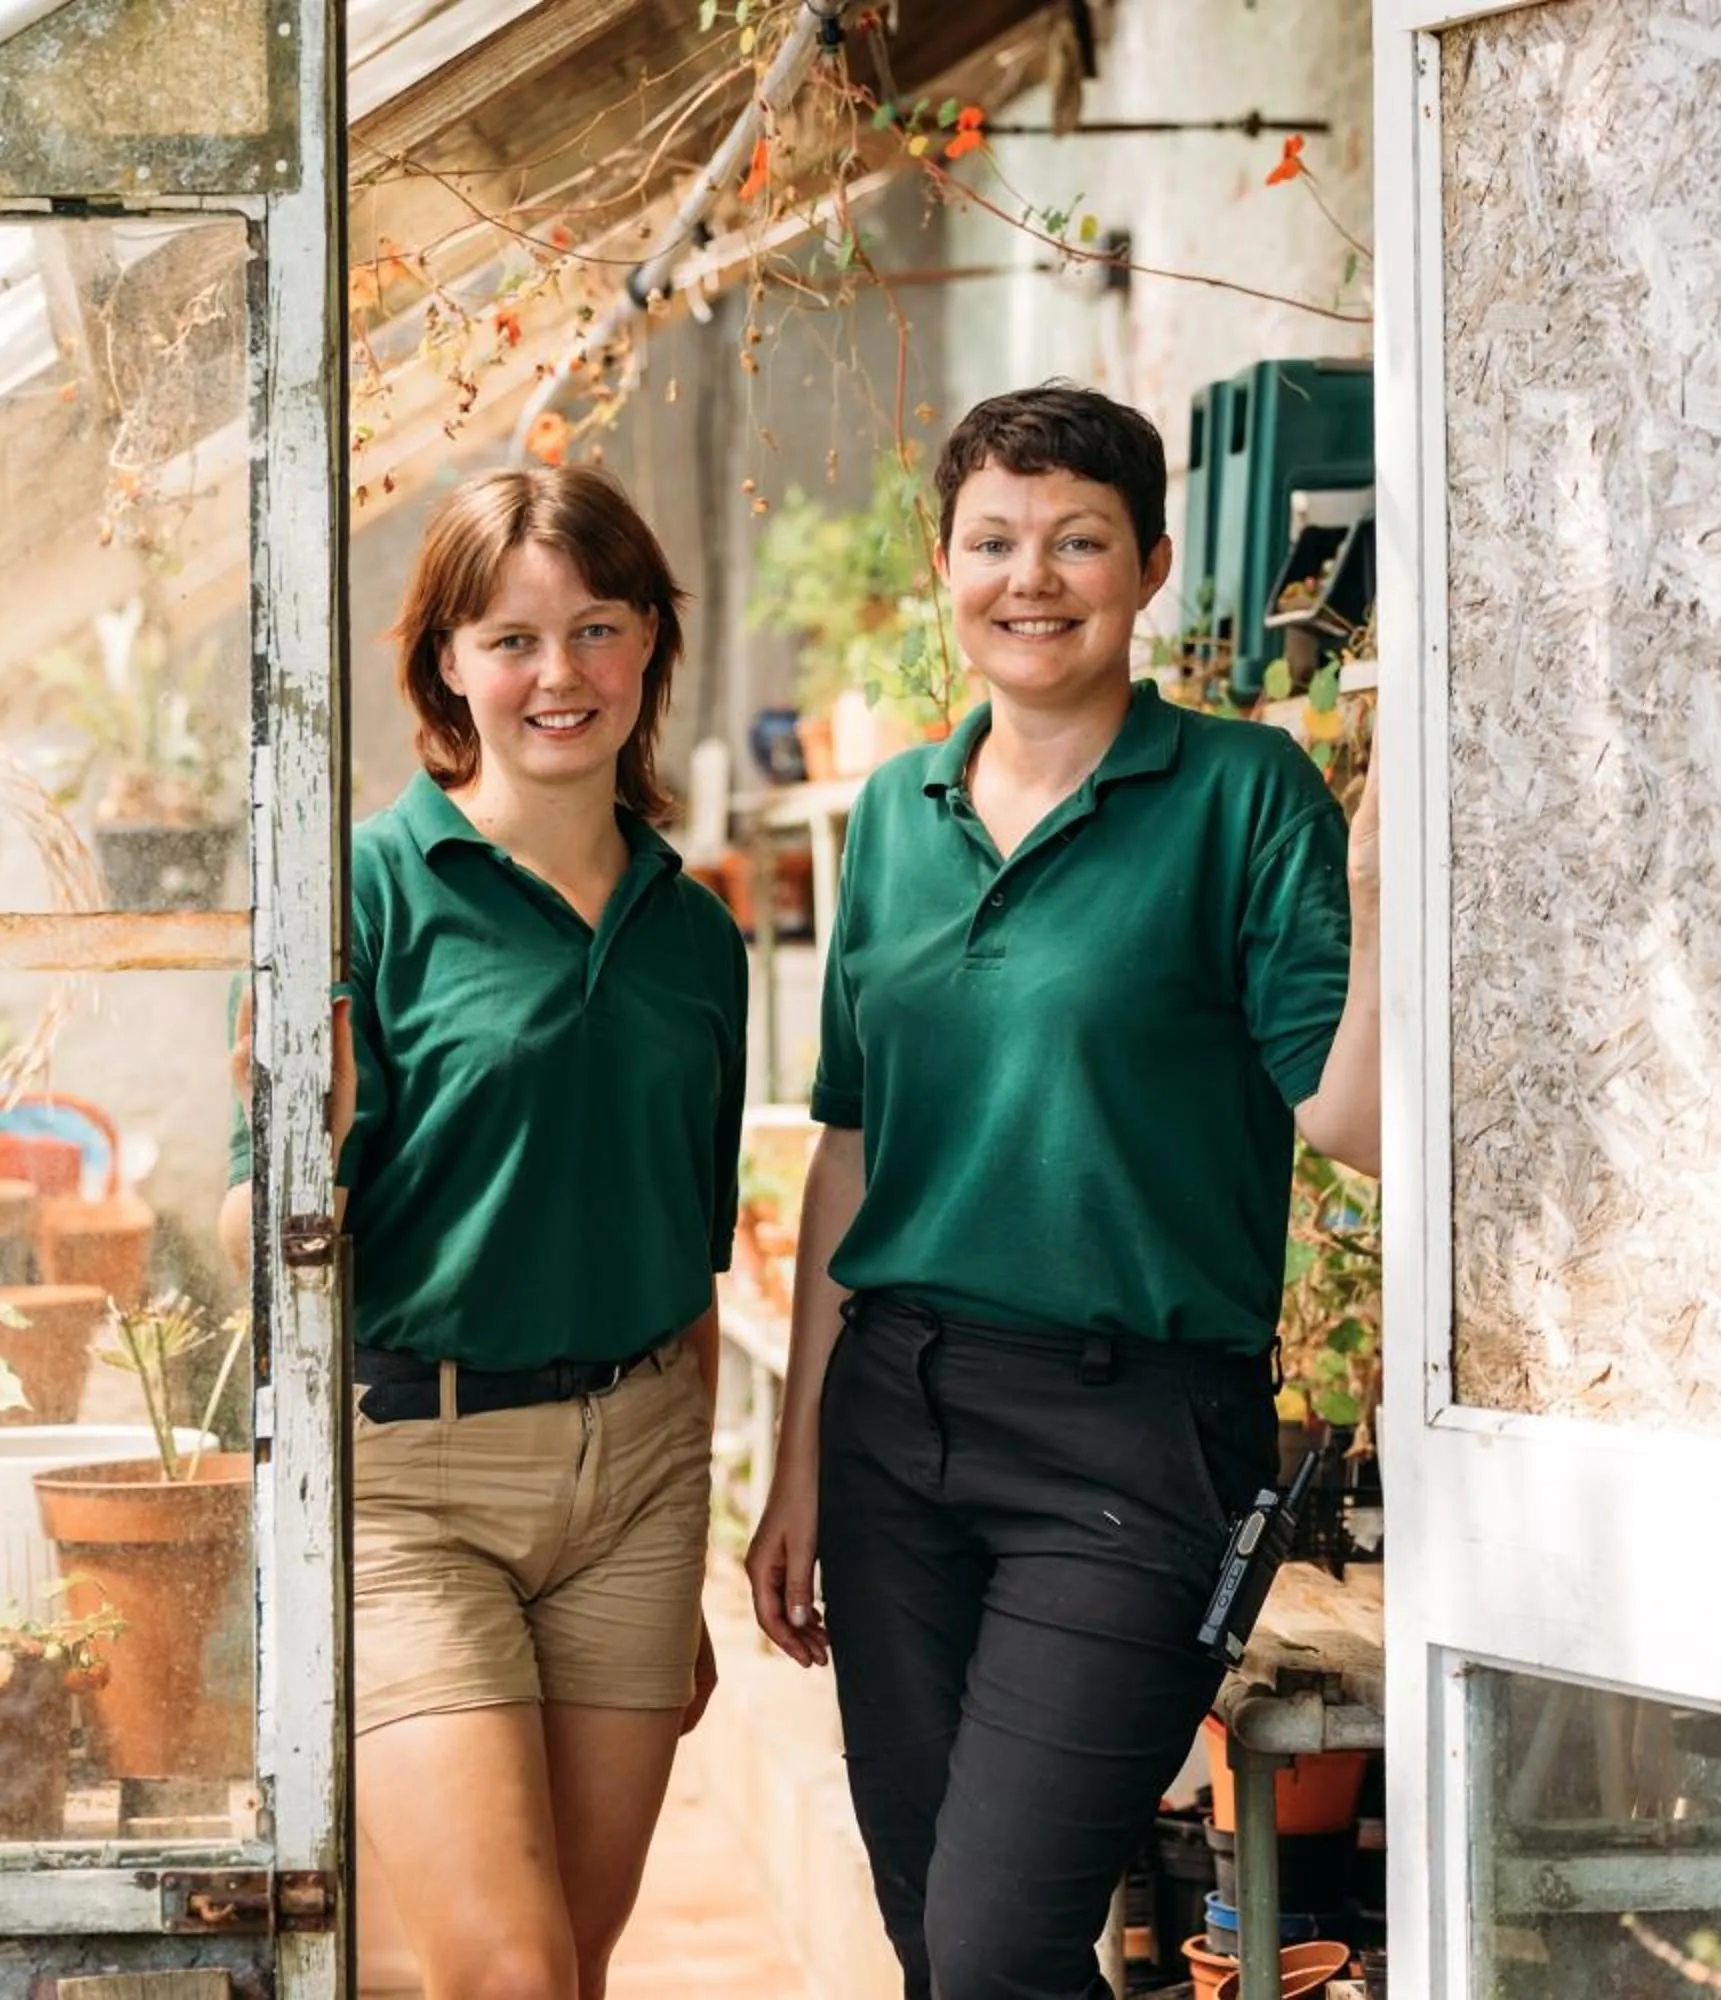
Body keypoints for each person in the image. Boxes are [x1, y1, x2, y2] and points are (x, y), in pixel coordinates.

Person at [741, 383, 1382, 2000]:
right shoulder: (893, 812)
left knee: (992, 1947)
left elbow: (1349, 1113)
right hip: (899, 1421)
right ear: (942, 564)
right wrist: (802, 1463)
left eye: (1080, 538)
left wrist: (1378, 879)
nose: (1034, 577)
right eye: (996, 540)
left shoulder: (1243, 798)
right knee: (938, 1940)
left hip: (1132, 1440)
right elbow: (854, 1146)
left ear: (1152, 564)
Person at [230, 465, 748, 2000]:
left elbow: (693, 1260)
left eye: (597, 627)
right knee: (506, 1976)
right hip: (411, 1485)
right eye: (511, 638)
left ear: (651, 643)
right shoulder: (354, 899)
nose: (559, 675)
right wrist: (286, 1152)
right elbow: (251, 1231)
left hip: (640, 1482)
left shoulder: (697, 932)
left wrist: (689, 1554)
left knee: (564, 1976)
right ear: (446, 661)